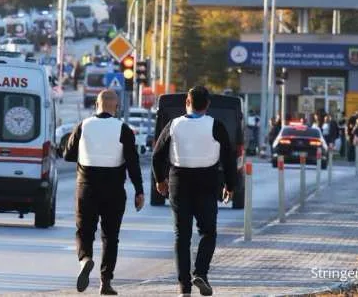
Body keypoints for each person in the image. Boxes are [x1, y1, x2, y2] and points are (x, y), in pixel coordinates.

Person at [152, 86, 237, 296]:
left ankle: (184, 288)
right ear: (207, 104)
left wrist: (160, 180)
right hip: (207, 181)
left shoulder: (174, 125)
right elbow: (228, 158)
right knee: (208, 232)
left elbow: (157, 154)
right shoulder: (216, 126)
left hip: (179, 181)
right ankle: (200, 272)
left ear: (187, 103)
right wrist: (230, 185)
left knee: (182, 236)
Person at [63, 89, 144, 295]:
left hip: (86, 186)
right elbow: (133, 163)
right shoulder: (123, 129)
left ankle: (85, 259)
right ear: (116, 107)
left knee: (84, 230)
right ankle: (105, 282)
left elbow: (68, 154)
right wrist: (139, 191)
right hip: (114, 190)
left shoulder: (83, 126)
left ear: (96, 105)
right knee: (110, 236)